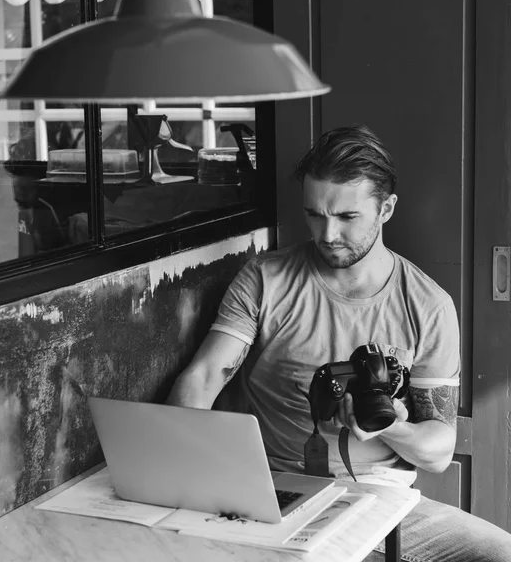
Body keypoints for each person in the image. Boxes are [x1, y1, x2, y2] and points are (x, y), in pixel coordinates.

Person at [166, 125, 511, 562]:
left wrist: (389, 427)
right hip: (275, 492)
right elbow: (202, 378)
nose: (326, 234)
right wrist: (181, 474)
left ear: (386, 209)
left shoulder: (429, 306)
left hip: (381, 503)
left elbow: (439, 450)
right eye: (314, 214)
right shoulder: (265, 279)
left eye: (347, 217)